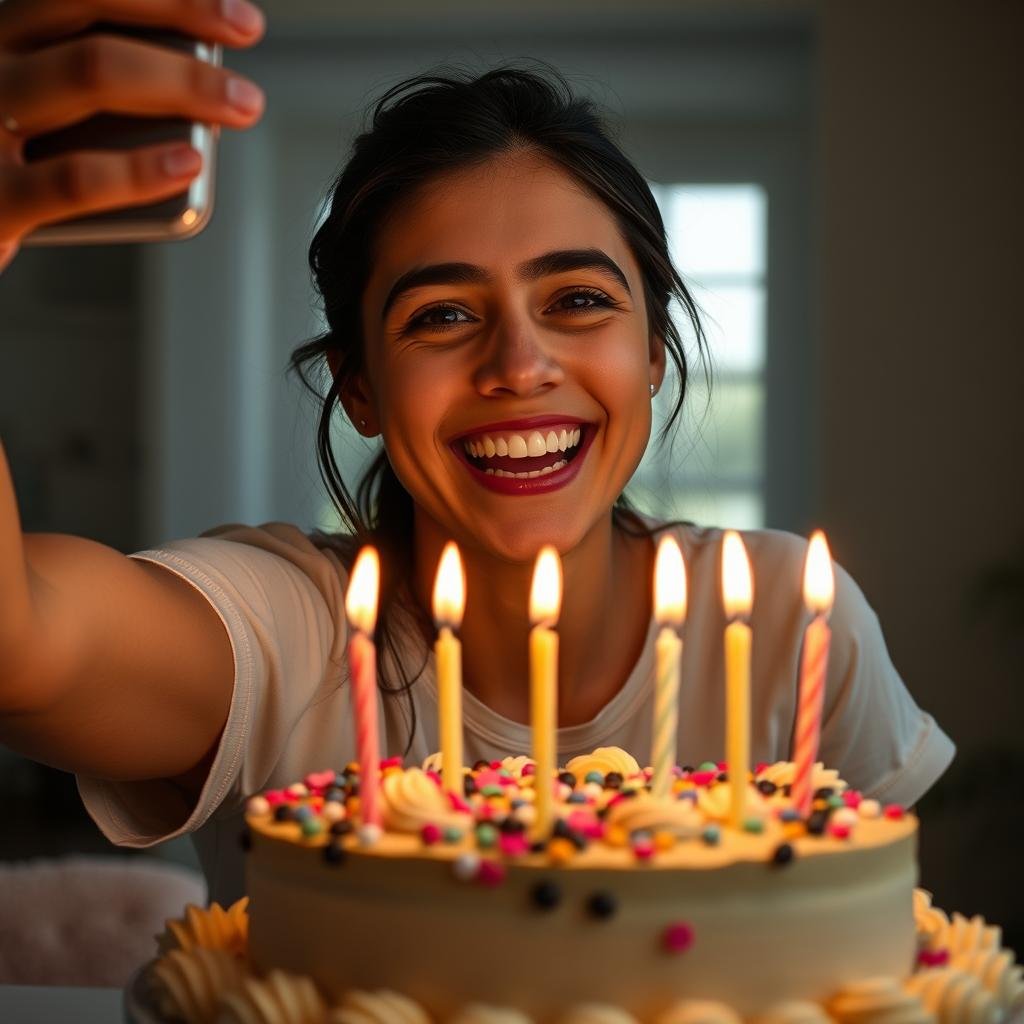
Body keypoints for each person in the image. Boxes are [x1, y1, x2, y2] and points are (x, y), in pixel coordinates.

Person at [0, 0, 954, 907]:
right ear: (362, 386)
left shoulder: (790, 625)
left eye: (579, 298)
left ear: (654, 352)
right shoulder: (295, 634)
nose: (519, 365)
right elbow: (22, 644)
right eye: (442, 315)